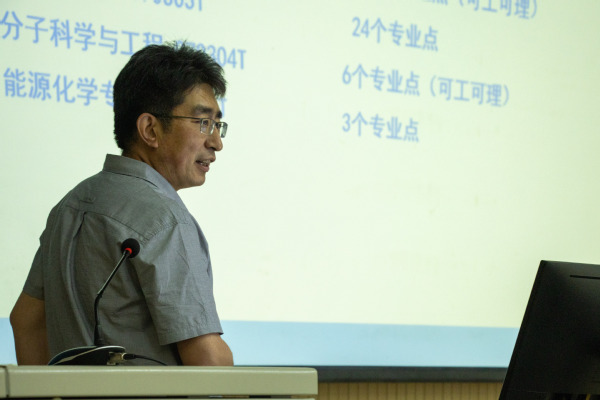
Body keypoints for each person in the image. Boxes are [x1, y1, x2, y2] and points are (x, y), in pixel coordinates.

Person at [9, 42, 233, 366]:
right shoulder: (165, 219)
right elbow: (207, 357)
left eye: (217, 125)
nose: (216, 142)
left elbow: (26, 321)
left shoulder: (68, 207)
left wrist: (49, 389)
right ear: (150, 129)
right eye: (203, 123)